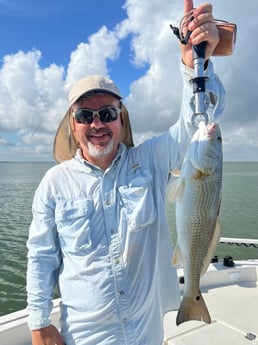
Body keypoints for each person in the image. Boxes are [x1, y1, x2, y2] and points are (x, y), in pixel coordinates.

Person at [26, 1, 225, 344]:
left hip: (146, 334)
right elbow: (42, 255)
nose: (97, 123)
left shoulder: (151, 160)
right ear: (72, 127)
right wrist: (39, 321)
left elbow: (197, 121)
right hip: (85, 338)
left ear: (122, 118)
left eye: (107, 112)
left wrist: (193, 62)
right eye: (84, 115)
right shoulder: (54, 184)